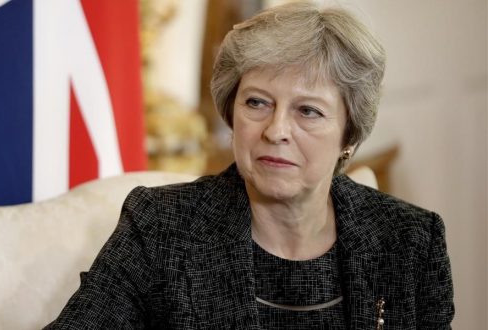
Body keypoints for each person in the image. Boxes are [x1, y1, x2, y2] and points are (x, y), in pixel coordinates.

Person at [46, 2, 454, 329]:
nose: (276, 130)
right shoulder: (160, 226)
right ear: (231, 111)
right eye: (257, 102)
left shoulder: (410, 241)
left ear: (348, 136)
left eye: (308, 111)